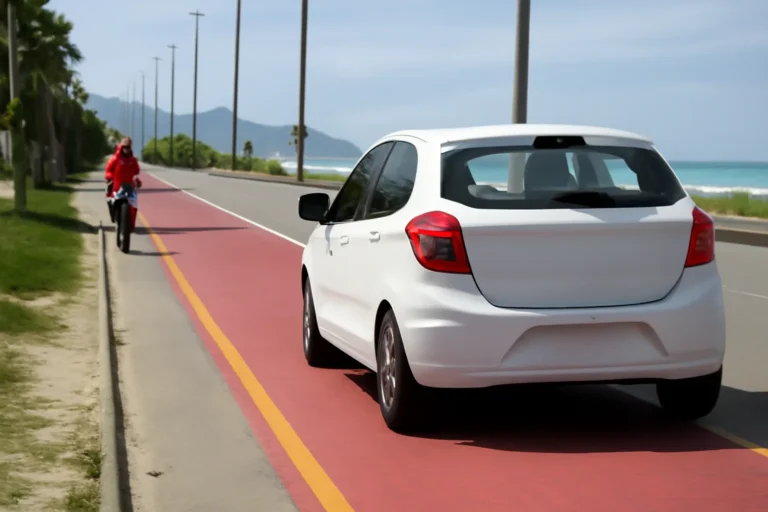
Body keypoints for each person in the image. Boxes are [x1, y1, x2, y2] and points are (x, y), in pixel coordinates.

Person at [105, 137, 142, 228]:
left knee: (133, 206)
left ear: (130, 147)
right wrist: (110, 177)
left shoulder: (133, 160)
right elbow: (108, 170)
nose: (126, 149)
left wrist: (137, 180)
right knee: (111, 201)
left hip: (129, 187)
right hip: (116, 187)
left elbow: (136, 171)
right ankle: (114, 216)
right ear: (121, 147)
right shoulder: (115, 158)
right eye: (124, 147)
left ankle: (131, 225)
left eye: (128, 147)